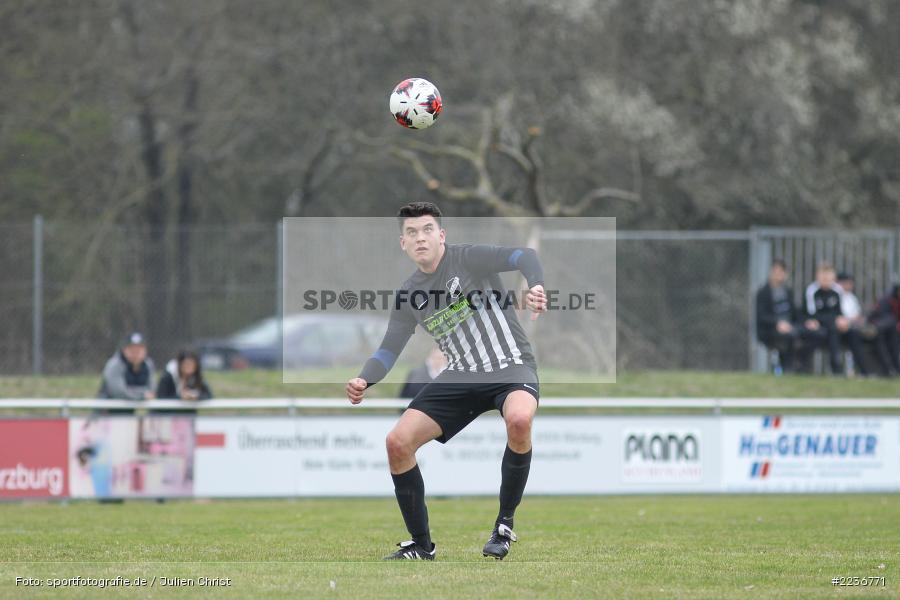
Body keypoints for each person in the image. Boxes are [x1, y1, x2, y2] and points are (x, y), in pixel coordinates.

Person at [345, 201, 546, 561]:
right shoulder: (409, 295)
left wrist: (536, 286)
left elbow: (524, 256)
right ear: (402, 243)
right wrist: (364, 379)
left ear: (441, 235)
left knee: (519, 419)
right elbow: (388, 352)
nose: (419, 237)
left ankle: (503, 526)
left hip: (510, 365)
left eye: (426, 230)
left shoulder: (468, 259)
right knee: (397, 443)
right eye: (411, 232)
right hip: (461, 374)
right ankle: (421, 546)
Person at [755, 259, 823, 373]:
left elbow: (795, 313)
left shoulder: (787, 291)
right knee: (790, 335)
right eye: (776, 272)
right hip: (770, 329)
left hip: (791, 325)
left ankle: (801, 364)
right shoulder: (763, 292)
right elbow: (762, 316)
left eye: (781, 272)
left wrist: (807, 322)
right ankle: (788, 368)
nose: (778, 275)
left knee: (818, 333)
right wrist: (778, 323)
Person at [805, 263, 868, 376]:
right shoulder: (812, 291)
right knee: (832, 330)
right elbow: (812, 315)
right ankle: (836, 369)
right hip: (821, 326)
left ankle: (864, 370)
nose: (826, 279)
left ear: (833, 277)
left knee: (853, 333)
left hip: (836, 324)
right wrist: (834, 320)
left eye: (828, 276)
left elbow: (840, 312)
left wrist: (843, 321)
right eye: (823, 276)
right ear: (817, 276)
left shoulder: (837, 290)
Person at [97, 332, 156, 401]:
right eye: (132, 349)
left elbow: (152, 391)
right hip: (108, 409)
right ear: (124, 350)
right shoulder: (115, 365)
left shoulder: (148, 365)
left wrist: (134, 392)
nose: (135, 353)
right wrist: (142, 395)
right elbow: (119, 393)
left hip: (130, 410)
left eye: (139, 350)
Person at [868, 283, 900, 377]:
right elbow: (880, 318)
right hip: (881, 331)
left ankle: (894, 368)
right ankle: (889, 369)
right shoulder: (886, 300)